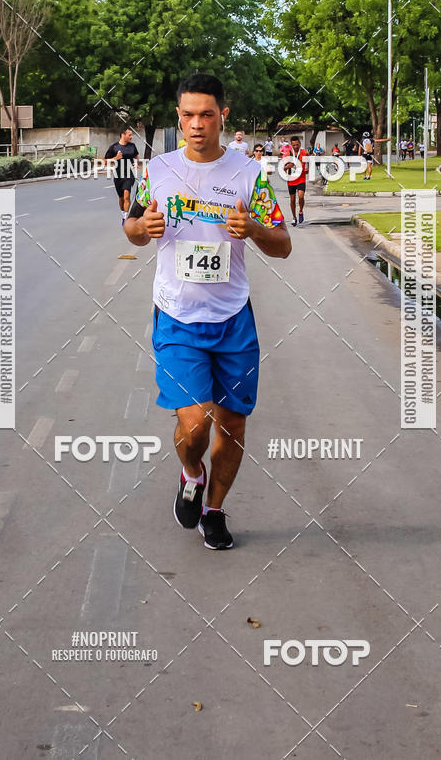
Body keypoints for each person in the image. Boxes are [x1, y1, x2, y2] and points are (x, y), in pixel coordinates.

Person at [124, 73, 291, 550]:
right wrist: (143, 228)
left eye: (206, 115)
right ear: (178, 117)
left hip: (233, 317)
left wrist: (255, 229)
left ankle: (214, 511)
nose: (196, 125)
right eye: (188, 116)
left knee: (233, 423)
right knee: (194, 424)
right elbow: (132, 226)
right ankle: (190, 474)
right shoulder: (157, 172)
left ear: (223, 116)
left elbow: (283, 246)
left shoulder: (249, 175)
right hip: (177, 315)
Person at [105, 127, 140, 225]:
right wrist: (115, 158)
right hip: (118, 175)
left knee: (126, 195)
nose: (131, 137)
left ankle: (126, 218)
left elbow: (136, 156)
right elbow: (105, 160)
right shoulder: (114, 147)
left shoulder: (132, 146)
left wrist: (136, 163)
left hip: (129, 175)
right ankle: (123, 213)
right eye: (129, 135)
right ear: (123, 135)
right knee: (121, 198)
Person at [283, 135, 308, 226]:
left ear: (300, 144)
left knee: (301, 197)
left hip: (301, 178)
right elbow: (282, 167)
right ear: (291, 145)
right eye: (294, 145)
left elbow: (308, 164)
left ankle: (301, 211)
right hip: (291, 179)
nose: (296, 147)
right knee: (292, 199)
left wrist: (307, 169)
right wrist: (287, 167)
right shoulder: (288, 154)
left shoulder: (304, 153)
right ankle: (294, 217)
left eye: (297, 145)